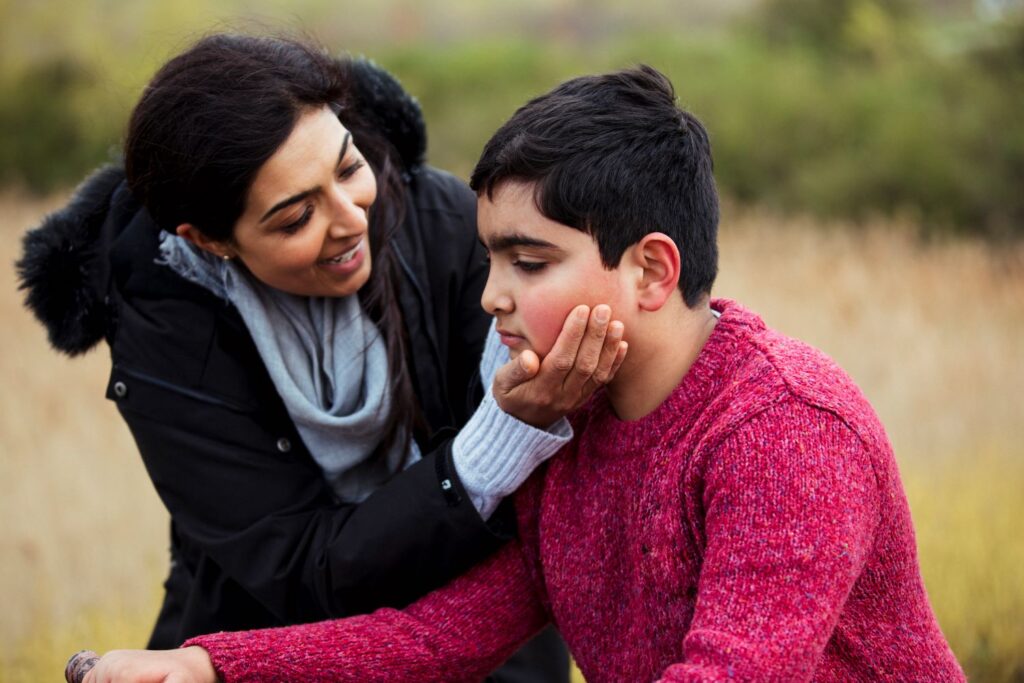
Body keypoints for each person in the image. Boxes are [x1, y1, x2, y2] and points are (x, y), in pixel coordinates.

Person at [68, 64, 969, 683]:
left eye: (529, 264)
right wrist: (213, 663)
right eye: (490, 257)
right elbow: (437, 636)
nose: (491, 298)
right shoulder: (572, 434)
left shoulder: (784, 430)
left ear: (652, 270)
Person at [19, 33, 632, 683]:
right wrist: (500, 438)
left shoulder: (440, 221)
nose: (350, 221)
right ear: (209, 239)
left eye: (347, 167)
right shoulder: (166, 339)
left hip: (481, 641)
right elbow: (300, 566)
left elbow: (537, 506)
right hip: (258, 648)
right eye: (293, 218)